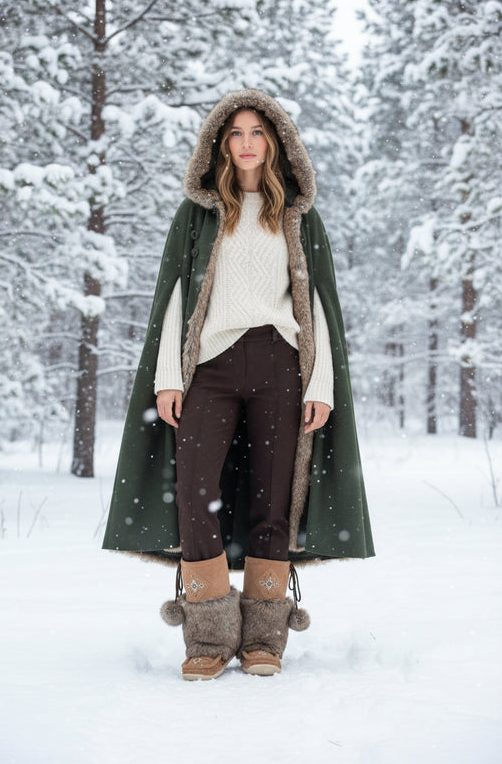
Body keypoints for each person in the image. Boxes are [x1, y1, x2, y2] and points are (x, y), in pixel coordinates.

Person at [102, 88, 374, 681]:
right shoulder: (199, 215)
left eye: (257, 133)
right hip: (210, 368)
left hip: (281, 364)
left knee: (272, 500)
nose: (247, 143)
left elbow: (319, 306)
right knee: (195, 492)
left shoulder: (297, 216)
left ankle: (263, 639)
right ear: (221, 145)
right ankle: (207, 636)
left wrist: (320, 385)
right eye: (235, 134)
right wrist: (169, 377)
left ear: (274, 143)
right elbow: (175, 295)